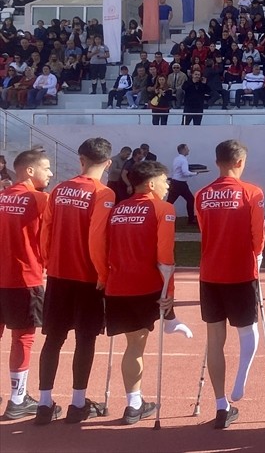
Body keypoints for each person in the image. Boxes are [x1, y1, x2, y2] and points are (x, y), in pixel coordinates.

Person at [96, 159, 193, 427]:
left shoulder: (116, 210)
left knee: (132, 347)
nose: (168, 184)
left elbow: (102, 245)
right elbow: (165, 257)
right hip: (145, 287)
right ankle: (134, 406)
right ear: (151, 183)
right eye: (165, 180)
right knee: (137, 347)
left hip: (118, 286)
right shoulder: (164, 208)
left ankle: (134, 402)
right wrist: (169, 292)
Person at [35, 138, 115, 424]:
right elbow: (96, 237)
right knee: (85, 338)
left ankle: (44, 404)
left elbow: (46, 228)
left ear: (80, 159)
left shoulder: (59, 190)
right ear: (108, 162)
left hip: (59, 274)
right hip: (88, 278)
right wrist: (103, 274)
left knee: (53, 339)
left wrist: (48, 260)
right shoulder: (103, 193)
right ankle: (77, 403)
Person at [195, 140, 265, 429]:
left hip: (210, 273)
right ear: (240, 162)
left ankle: (221, 404)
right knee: (248, 329)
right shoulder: (252, 192)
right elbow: (257, 235)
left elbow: (202, 228)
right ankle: (240, 380)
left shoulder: (202, 194)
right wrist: (257, 256)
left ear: (217, 161)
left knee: (215, 340)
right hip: (240, 272)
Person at [0, 150, 52, 420]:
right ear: (30, 171)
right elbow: (49, 240)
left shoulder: (1, 196)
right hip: (23, 278)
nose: (51, 173)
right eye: (46, 168)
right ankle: (18, 399)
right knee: (23, 337)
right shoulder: (40, 199)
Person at [167, 144, 201, 225]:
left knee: (170, 202)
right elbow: (185, 172)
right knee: (190, 200)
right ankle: (191, 220)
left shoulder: (176, 159)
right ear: (183, 150)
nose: (188, 150)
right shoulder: (183, 160)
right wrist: (195, 173)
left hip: (176, 182)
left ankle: (162, 216)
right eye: (187, 149)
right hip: (180, 183)